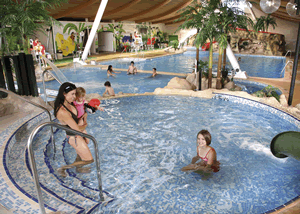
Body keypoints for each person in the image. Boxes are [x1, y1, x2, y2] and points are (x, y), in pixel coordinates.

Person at [54, 82, 94, 177]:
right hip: (75, 137)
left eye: (75, 93)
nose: (74, 96)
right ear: (64, 94)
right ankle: (64, 168)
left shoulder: (68, 103)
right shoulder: (62, 111)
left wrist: (84, 115)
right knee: (89, 160)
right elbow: (76, 129)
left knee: (80, 155)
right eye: (72, 94)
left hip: (77, 135)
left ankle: (78, 168)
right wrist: (85, 124)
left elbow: (80, 109)